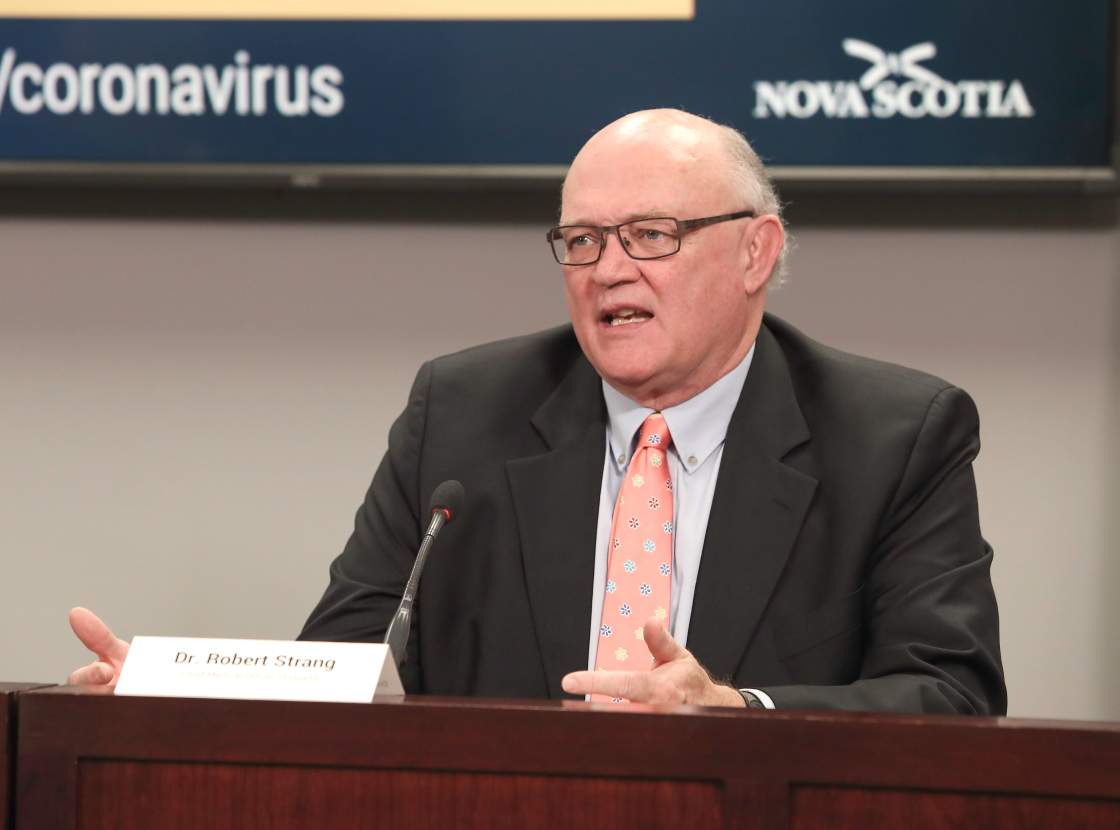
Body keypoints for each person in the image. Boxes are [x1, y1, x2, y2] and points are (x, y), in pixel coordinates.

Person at [69, 109, 1006, 714]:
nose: (607, 270)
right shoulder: (462, 413)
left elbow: (951, 692)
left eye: (651, 235)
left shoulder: (894, 435)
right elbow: (343, 666)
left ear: (756, 252)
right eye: (583, 240)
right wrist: (167, 694)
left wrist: (739, 708)